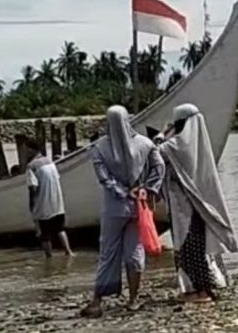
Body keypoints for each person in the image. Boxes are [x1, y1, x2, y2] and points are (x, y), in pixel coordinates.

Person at [80, 105, 165, 317]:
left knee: (108, 252)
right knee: (134, 252)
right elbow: (159, 167)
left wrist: (123, 192)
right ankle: (133, 299)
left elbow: (104, 179)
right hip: (139, 206)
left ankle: (98, 300)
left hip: (114, 207)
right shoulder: (145, 144)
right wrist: (147, 189)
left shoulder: (99, 148)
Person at [156, 103, 238, 303]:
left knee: (188, 248)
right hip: (198, 206)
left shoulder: (177, 145)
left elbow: (155, 152)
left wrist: (162, 133)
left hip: (183, 207)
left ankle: (197, 291)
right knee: (199, 247)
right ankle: (205, 287)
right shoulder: (198, 145)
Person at [25, 138, 74, 259]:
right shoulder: (50, 162)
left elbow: (33, 187)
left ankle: (49, 257)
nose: (25, 152)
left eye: (26, 149)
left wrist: (31, 204)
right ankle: (68, 251)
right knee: (60, 229)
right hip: (57, 203)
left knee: (44, 234)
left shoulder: (31, 166)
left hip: (43, 205)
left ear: (31, 150)